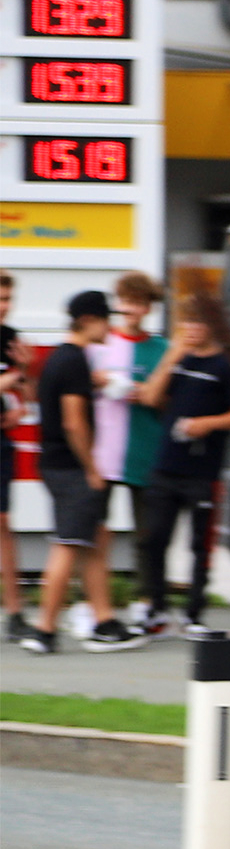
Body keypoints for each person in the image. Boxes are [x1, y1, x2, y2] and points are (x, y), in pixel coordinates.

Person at [17, 296, 141, 652]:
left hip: (56, 463)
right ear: (88, 320)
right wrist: (92, 468)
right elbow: (73, 422)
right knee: (69, 545)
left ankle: (105, 620)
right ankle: (44, 630)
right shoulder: (74, 362)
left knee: (95, 540)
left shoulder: (62, 358)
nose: (110, 328)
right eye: (106, 321)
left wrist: (98, 382)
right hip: (73, 467)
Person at [133, 295, 230, 633]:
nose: (192, 330)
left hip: (202, 469)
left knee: (200, 543)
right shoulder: (178, 359)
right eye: (186, 322)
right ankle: (156, 606)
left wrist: (208, 423)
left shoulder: (226, 367)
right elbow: (151, 398)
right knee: (154, 538)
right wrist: (172, 356)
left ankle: (194, 611)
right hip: (166, 464)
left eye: (198, 322)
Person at [103, 271, 168, 629]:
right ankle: (92, 602)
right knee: (95, 531)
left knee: (148, 535)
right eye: (125, 301)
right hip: (105, 453)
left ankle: (146, 600)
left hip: (146, 451)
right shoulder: (104, 345)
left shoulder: (161, 349)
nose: (130, 309)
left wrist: (146, 392)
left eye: (138, 303)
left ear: (148, 307)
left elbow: (169, 400)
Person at [0, 269, 29, 641]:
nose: (3, 307)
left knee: (3, 524)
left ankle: (16, 611)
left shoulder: (9, 341)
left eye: (7, 300)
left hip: (2, 442)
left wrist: (19, 410)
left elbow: (29, 394)